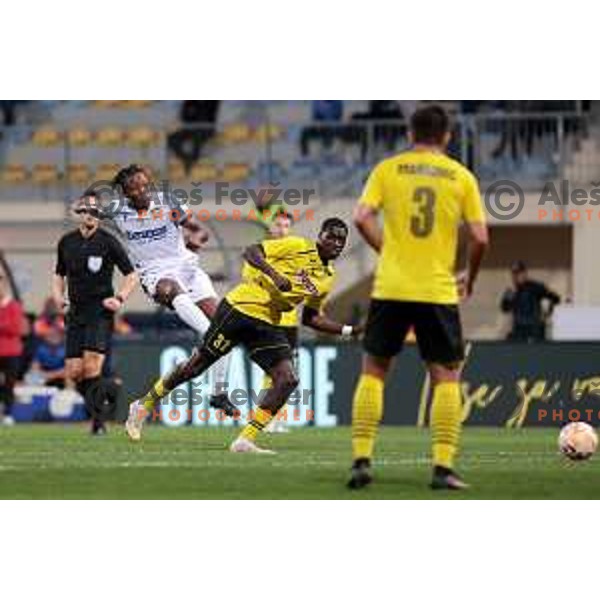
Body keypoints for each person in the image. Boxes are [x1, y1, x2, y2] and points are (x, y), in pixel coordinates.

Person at [126, 218, 361, 452]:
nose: (337, 243)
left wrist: (349, 330)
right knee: (195, 367)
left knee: (288, 379)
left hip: (268, 322)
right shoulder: (297, 246)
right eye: (332, 236)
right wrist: (275, 275)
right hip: (240, 308)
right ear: (320, 236)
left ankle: (244, 441)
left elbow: (311, 317)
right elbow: (251, 251)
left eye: (342, 240)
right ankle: (143, 405)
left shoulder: (327, 277)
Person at [349, 104, 489, 491]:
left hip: (390, 286)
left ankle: (361, 461)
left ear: (410, 134)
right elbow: (480, 238)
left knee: (374, 371)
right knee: (446, 377)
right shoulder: (461, 176)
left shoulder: (387, 169)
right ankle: (443, 468)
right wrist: (471, 279)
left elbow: (361, 217)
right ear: (446, 136)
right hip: (437, 290)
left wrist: (388, 252)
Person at [101, 164, 234, 415]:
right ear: (126, 193)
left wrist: (196, 239)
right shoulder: (118, 212)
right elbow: (86, 210)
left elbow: (197, 229)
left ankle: (219, 393)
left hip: (186, 267)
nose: (143, 190)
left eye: (145, 184)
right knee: (174, 293)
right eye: (135, 187)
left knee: (225, 328)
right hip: (155, 274)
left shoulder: (168, 201)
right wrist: (87, 208)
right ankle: (205, 334)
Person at [52, 197, 138, 434]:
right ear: (78, 213)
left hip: (99, 311)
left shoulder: (109, 242)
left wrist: (119, 298)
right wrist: (59, 297)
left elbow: (131, 275)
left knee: (91, 368)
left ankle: (98, 423)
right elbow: (58, 274)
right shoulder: (66, 242)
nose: (90, 215)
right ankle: (111, 390)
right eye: (86, 211)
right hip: (75, 312)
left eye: (95, 212)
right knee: (74, 372)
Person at [500, 261, 560, 342]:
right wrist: (508, 298)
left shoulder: (535, 287)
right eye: (514, 274)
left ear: (525, 273)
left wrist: (548, 312)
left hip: (534, 330)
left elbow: (555, 298)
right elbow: (504, 308)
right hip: (519, 330)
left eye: (519, 273)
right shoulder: (511, 291)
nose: (516, 277)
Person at [0, 270, 26, 425]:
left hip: (11, 352)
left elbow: (16, 328)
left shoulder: (14, 305)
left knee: (9, 384)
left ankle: (8, 413)